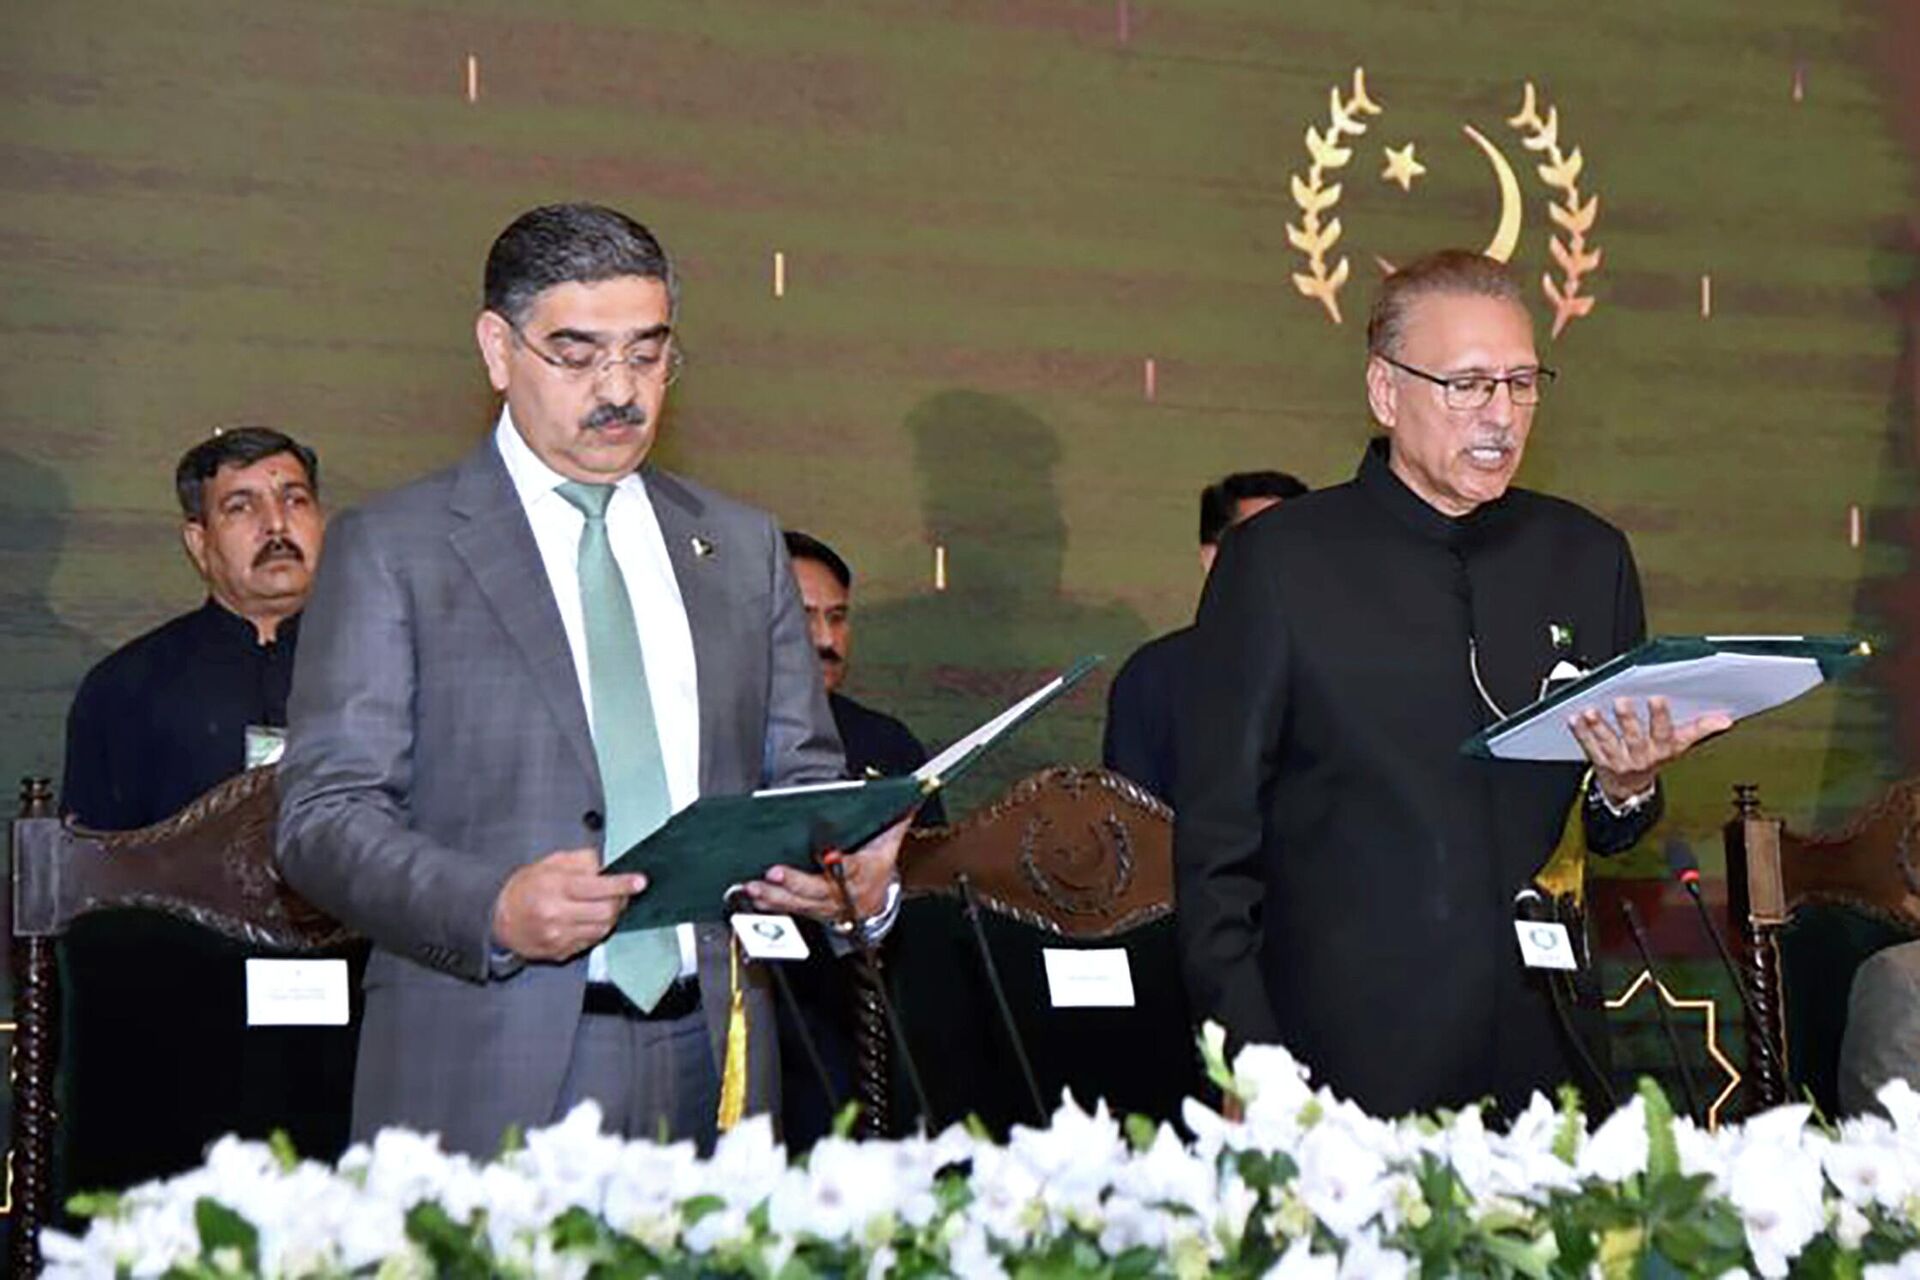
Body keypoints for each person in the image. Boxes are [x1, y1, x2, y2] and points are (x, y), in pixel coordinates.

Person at [277, 203, 905, 1156]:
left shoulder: (738, 548)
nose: (621, 390)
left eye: (649, 354)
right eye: (577, 354)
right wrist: (489, 906)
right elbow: (322, 819)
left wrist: (848, 876)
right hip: (486, 1056)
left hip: (719, 1054)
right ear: (498, 349)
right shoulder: (394, 549)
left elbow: (797, 788)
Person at [1175, 250, 1730, 1118]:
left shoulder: (1586, 558)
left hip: (1549, 1047)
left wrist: (1627, 786)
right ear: (1386, 392)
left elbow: (1607, 831)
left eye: (1521, 382)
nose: (1502, 416)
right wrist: (1251, 1059)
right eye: (1468, 385)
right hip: (1342, 1057)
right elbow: (1215, 844)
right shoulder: (1279, 563)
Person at [59, 427, 345, 1194]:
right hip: (186, 1055)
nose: (276, 525)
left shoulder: (386, 674)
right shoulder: (127, 688)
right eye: (241, 507)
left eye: (294, 500)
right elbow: (93, 905)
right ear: (199, 541)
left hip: (358, 1051)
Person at [779, 530, 944, 1147]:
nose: (825, 640)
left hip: (858, 1045)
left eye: (838, 618)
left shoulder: (887, 747)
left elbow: (932, 907)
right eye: (802, 619)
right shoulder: (707, 742)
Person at [1102, 471, 1307, 804]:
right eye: (1263, 542)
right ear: (1212, 558)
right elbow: (1131, 822)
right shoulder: (1152, 676)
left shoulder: (1348, 669)